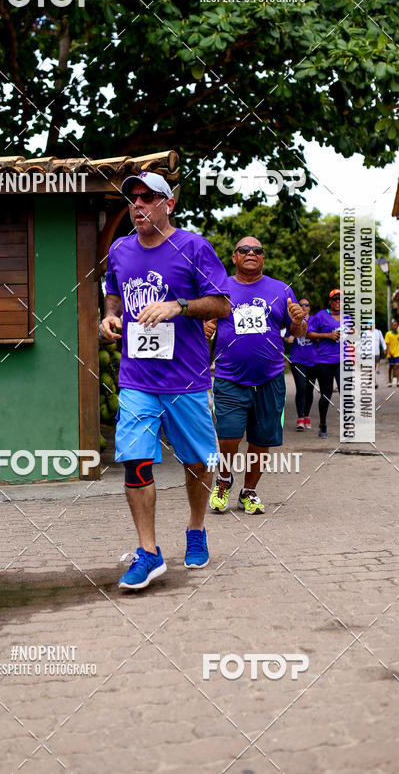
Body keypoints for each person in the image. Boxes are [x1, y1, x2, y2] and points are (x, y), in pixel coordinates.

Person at [100, 171, 230, 590]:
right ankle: (149, 552)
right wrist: (109, 317)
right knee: (134, 460)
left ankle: (196, 527)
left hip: (187, 379)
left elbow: (223, 305)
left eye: (147, 197)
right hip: (137, 379)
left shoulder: (194, 247)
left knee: (197, 462)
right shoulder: (120, 250)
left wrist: (179, 306)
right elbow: (113, 291)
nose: (137, 204)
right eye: (132, 198)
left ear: (168, 204)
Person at [204, 236, 306, 515]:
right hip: (229, 377)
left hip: (270, 379)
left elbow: (298, 332)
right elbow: (203, 324)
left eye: (257, 250)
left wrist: (299, 322)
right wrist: (205, 328)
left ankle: (249, 492)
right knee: (229, 436)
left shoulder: (281, 289)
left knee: (262, 441)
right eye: (244, 250)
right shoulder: (219, 289)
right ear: (234, 257)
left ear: (263, 258)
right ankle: (224, 479)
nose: (251, 253)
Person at [307, 289, 350, 438]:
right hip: (324, 361)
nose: (337, 302)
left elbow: (351, 335)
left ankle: (347, 426)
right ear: (329, 301)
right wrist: (327, 335)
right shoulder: (320, 316)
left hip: (343, 360)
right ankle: (323, 423)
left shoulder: (347, 317)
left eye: (340, 299)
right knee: (326, 395)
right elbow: (308, 333)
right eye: (334, 299)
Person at [287, 299, 316, 430]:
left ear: (309, 308)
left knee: (309, 389)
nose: (304, 307)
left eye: (307, 305)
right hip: (297, 359)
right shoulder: (293, 319)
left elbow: (321, 335)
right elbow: (286, 337)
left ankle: (307, 416)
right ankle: (300, 418)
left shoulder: (315, 320)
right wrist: (289, 338)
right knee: (301, 387)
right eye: (302, 304)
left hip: (313, 360)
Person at [384, 320, 399, 387]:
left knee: (398, 366)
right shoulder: (388, 334)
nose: (395, 326)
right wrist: (389, 352)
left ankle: (398, 382)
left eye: (396, 325)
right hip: (390, 354)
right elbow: (386, 344)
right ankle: (390, 381)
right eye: (394, 325)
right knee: (391, 367)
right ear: (392, 326)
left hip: (398, 353)